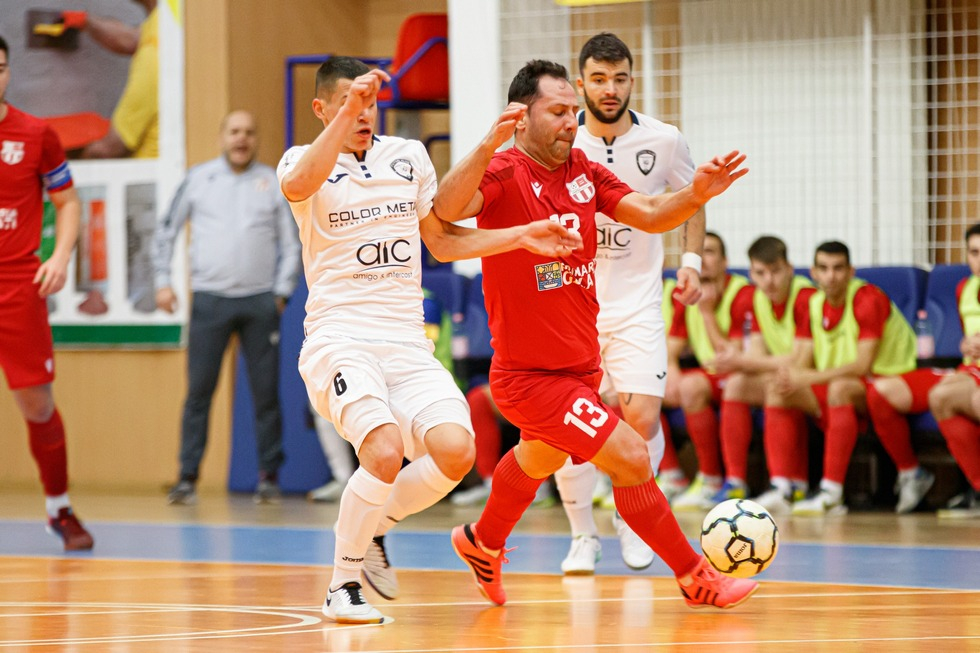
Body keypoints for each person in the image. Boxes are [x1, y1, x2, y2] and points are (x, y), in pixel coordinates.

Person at [434, 59, 757, 609]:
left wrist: (696, 195)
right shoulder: (503, 172)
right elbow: (445, 209)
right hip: (529, 378)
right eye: (558, 112)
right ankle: (695, 577)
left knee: (538, 459)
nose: (570, 122)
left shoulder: (582, 169)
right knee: (632, 453)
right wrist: (488, 145)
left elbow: (652, 212)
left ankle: (482, 541)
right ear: (521, 117)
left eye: (572, 112)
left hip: (578, 369)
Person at [276, 56, 580, 624]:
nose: (361, 113)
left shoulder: (407, 156)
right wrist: (344, 116)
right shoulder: (301, 162)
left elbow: (442, 242)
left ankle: (373, 528)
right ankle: (342, 586)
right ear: (323, 110)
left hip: (406, 341)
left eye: (367, 102)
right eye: (347, 103)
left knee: (455, 452)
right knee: (384, 451)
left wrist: (522, 236)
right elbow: (299, 183)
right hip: (339, 338)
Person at [552, 32, 706, 575]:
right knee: (570, 428)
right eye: (598, 78)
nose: (610, 89)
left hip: (639, 301)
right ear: (580, 83)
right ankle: (581, 536)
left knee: (640, 418)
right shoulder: (562, 143)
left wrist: (690, 265)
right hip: (575, 307)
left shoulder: (664, 139)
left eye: (619, 78)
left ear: (632, 80)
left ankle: (631, 515)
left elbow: (692, 201)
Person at [154, 110, 301, 505]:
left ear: (256, 139)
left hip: (259, 303)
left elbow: (292, 242)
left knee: (266, 394)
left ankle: (269, 476)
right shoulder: (199, 179)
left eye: (249, 132)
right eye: (235, 131)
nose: (241, 139)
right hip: (210, 301)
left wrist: (282, 292)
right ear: (222, 136)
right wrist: (162, 282)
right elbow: (166, 231)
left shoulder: (272, 182)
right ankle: (187, 477)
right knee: (199, 392)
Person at [0, 35, 93, 550]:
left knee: (36, 404)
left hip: (17, 286)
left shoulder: (36, 134)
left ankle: (59, 509)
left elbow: (70, 202)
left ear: (8, 72)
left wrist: (59, 258)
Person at [768, 241, 931, 516]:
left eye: (838, 268)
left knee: (839, 389)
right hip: (846, 385)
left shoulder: (868, 299)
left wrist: (809, 376)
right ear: (814, 272)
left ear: (851, 271)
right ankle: (785, 488)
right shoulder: (814, 303)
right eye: (824, 268)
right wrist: (793, 376)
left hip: (889, 381)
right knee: (778, 389)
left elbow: (862, 364)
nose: (831, 276)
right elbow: (802, 360)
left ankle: (831, 493)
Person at [710, 236, 816, 513]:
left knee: (777, 385)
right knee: (736, 385)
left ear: (790, 268)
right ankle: (735, 481)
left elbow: (800, 360)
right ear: (751, 273)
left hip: (816, 380)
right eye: (760, 273)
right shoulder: (757, 298)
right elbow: (756, 358)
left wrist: (742, 360)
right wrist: (741, 361)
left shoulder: (805, 296)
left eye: (775, 271)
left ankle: (786, 485)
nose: (769, 280)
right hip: (787, 378)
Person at [665, 232, 754, 510]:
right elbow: (672, 347)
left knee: (720, 384)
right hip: (711, 376)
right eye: (699, 253)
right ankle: (701, 478)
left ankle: (735, 482)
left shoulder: (742, 293)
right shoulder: (687, 293)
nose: (703, 259)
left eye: (711, 252)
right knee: (662, 387)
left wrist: (706, 313)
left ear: (725, 260)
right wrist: (670, 371)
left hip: (743, 374)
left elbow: (730, 357)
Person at [927, 223, 980, 518]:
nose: (979, 260)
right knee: (939, 398)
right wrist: (966, 344)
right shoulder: (965, 288)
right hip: (972, 369)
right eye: (974, 253)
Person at [82, 0, 158, 159]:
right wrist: (85, 22)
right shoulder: (162, 27)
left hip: (149, 177)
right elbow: (130, 38)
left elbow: (112, 148)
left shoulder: (154, 52)